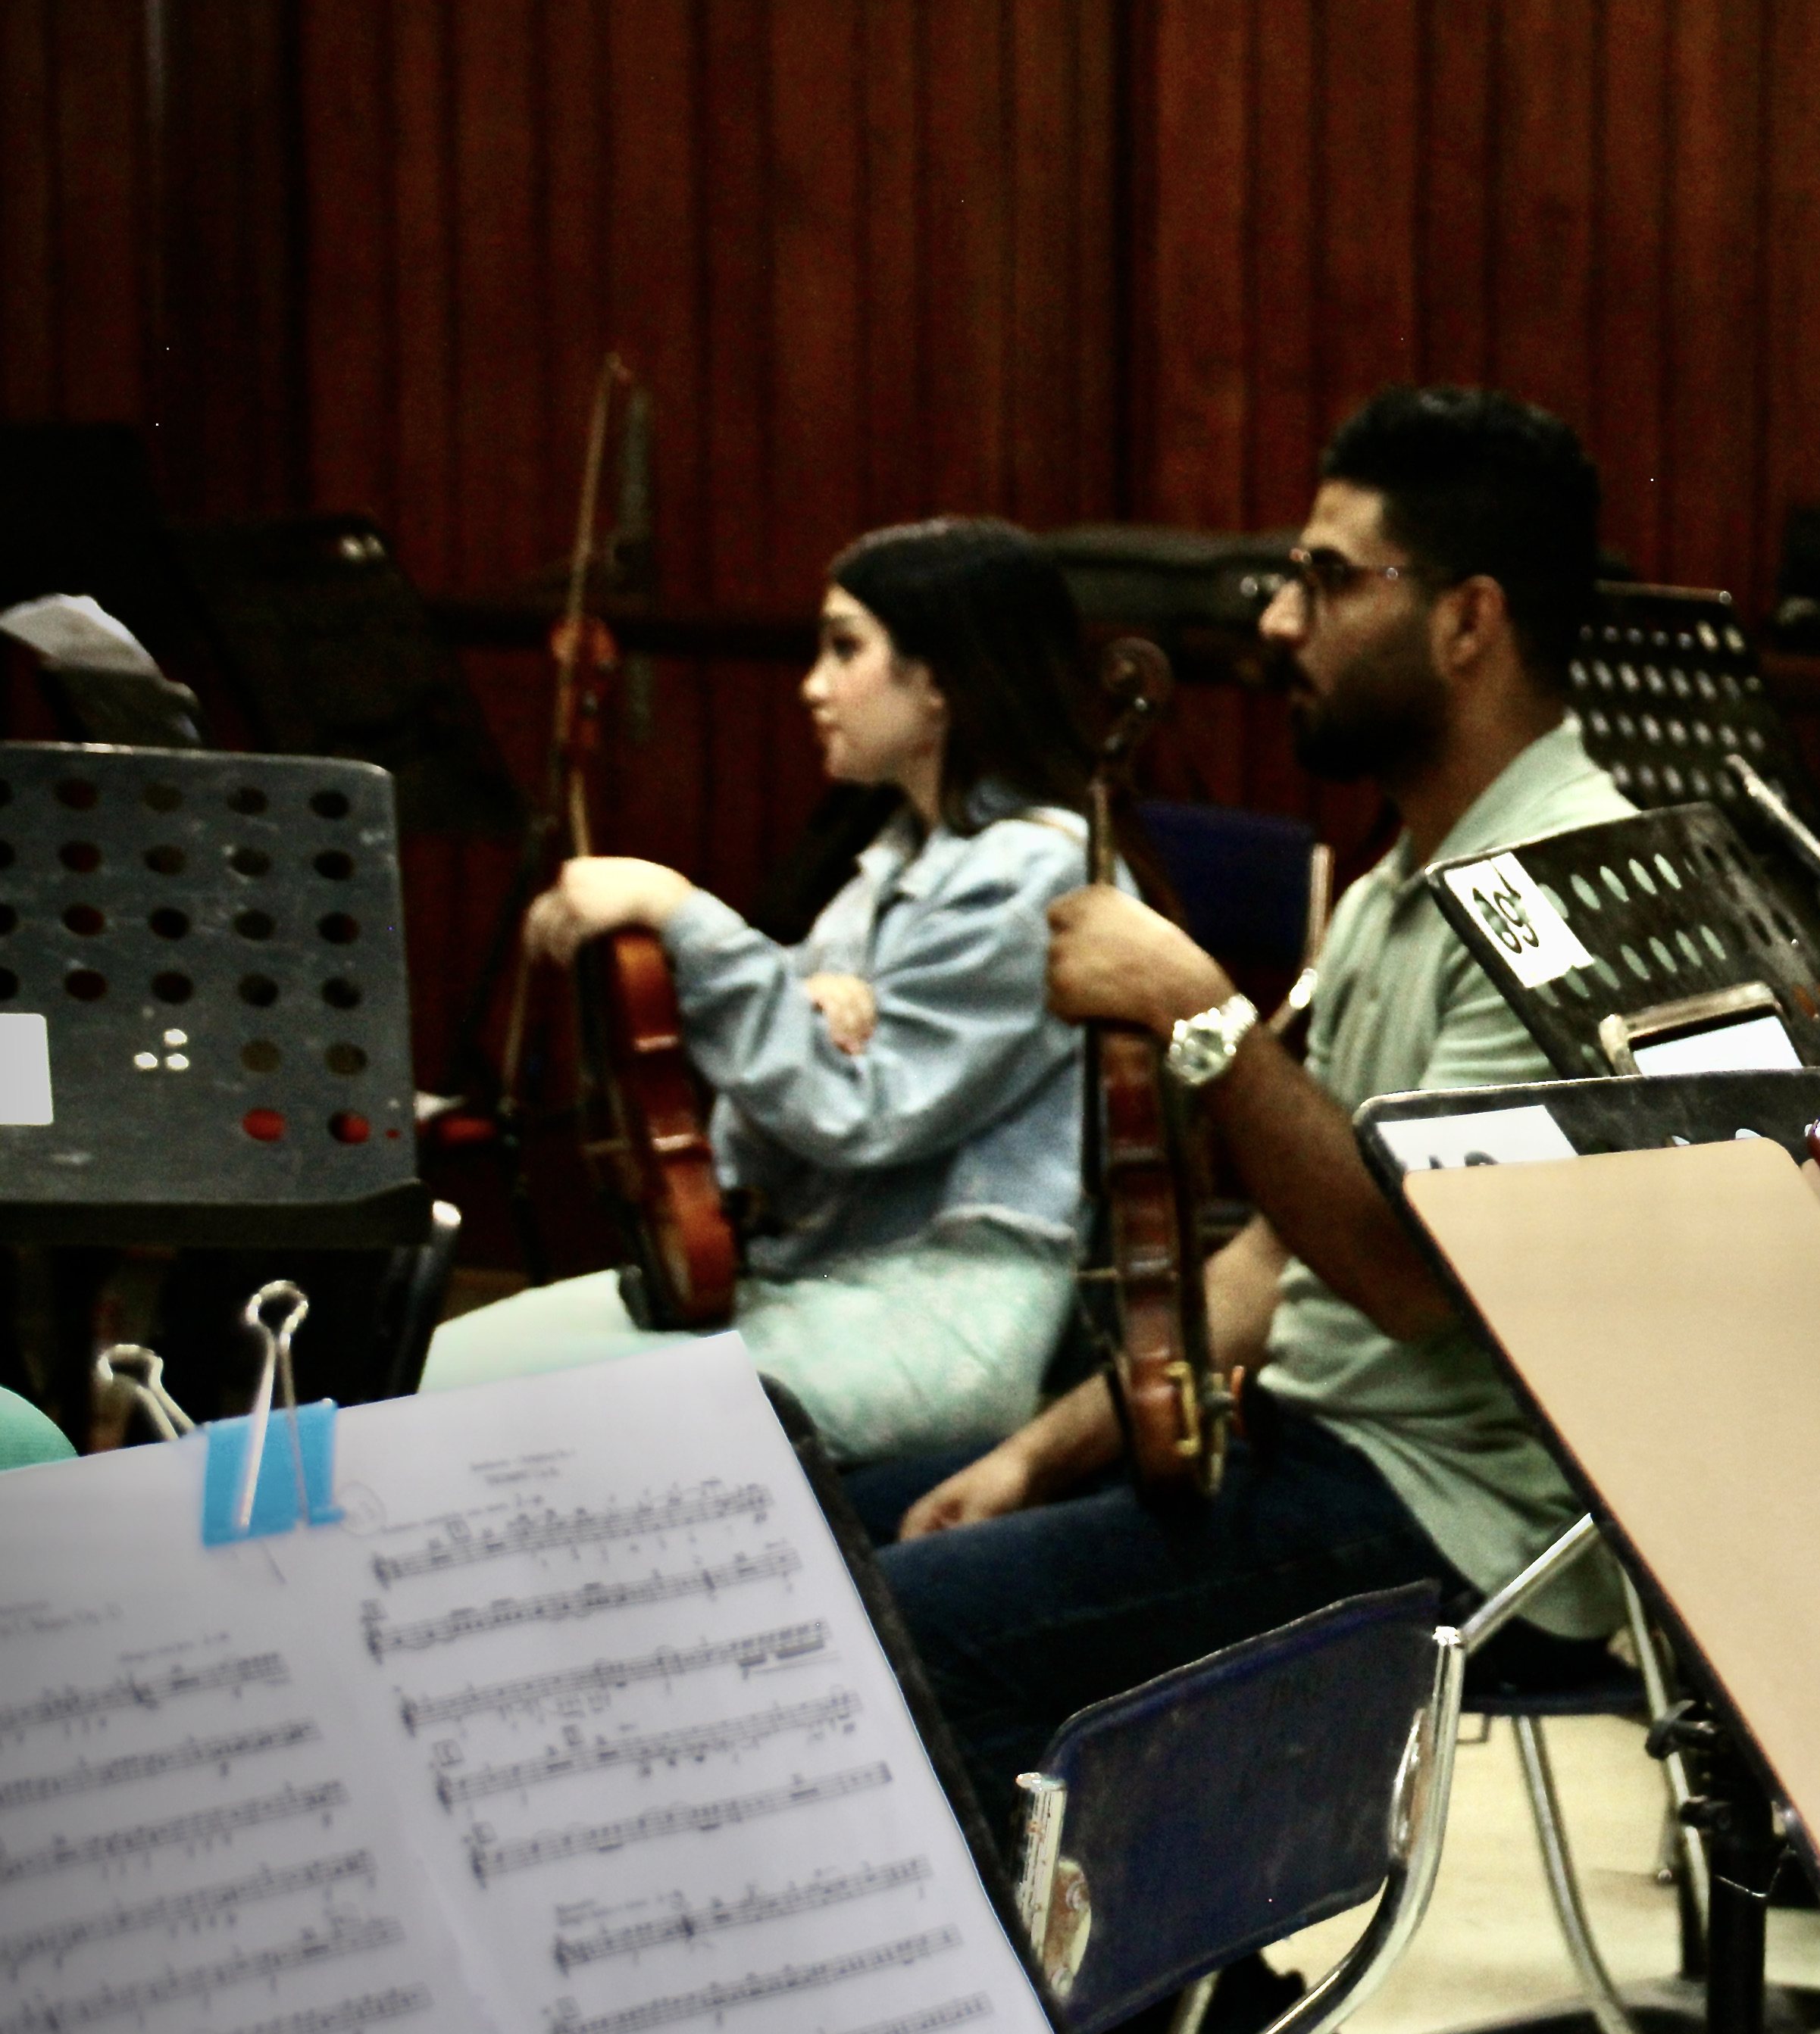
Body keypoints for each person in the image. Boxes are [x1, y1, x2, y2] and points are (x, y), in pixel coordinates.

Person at [867, 382, 1631, 1826]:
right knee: (860, 1520)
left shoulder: (1560, 887)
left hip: (1465, 1525)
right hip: (1328, 1448)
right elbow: (1272, 1256)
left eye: (1329, 578)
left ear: (1468, 621)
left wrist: (1198, 1014)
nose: (1281, 620)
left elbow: (1408, 1276)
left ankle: (1145, 2031)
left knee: (908, 1630)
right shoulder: (1412, 865)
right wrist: (1040, 1448)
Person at [422, 518, 1119, 1465]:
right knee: (425, 1368)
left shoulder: (1037, 872)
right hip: (810, 1278)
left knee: (501, 1432)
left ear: (942, 680)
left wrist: (680, 914)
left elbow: (855, 1112)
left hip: (940, 1316)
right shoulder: (893, 867)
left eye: (845, 649)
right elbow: (774, 1131)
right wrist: (804, 1002)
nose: (813, 687)